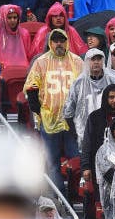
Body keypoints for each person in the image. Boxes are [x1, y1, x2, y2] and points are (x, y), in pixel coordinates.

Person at [24, 29, 83, 188]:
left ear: (67, 42)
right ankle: (60, 202)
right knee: (52, 164)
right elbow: (31, 87)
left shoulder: (77, 62)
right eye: (55, 40)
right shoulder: (41, 62)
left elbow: (85, 87)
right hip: (49, 121)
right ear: (50, 42)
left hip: (72, 122)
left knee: (76, 162)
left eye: (62, 40)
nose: (59, 43)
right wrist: (37, 109)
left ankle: (74, 196)